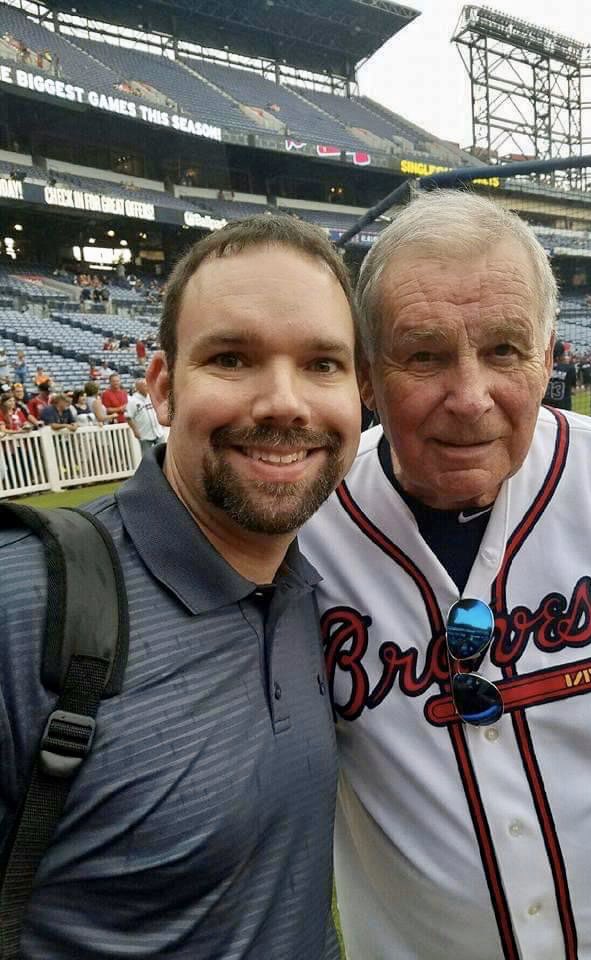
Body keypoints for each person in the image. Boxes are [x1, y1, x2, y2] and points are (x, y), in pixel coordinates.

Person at [299, 190, 591, 960]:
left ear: (550, 356)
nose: (471, 396)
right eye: (425, 354)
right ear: (368, 374)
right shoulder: (304, 531)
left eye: (506, 350)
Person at [0, 214, 361, 957]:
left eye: (323, 363)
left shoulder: (308, 592)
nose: (285, 402)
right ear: (162, 388)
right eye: (232, 357)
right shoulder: (21, 601)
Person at [125, 378, 164, 452]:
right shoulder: (132, 401)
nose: (147, 387)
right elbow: (128, 417)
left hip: (158, 431)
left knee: (163, 453)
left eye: (147, 385)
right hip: (144, 433)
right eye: (145, 386)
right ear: (138, 388)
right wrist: (135, 431)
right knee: (147, 456)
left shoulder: (152, 396)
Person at [543, 339, 576, 410]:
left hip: (544, 409)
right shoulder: (570, 368)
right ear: (560, 355)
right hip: (563, 410)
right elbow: (573, 390)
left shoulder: (542, 368)